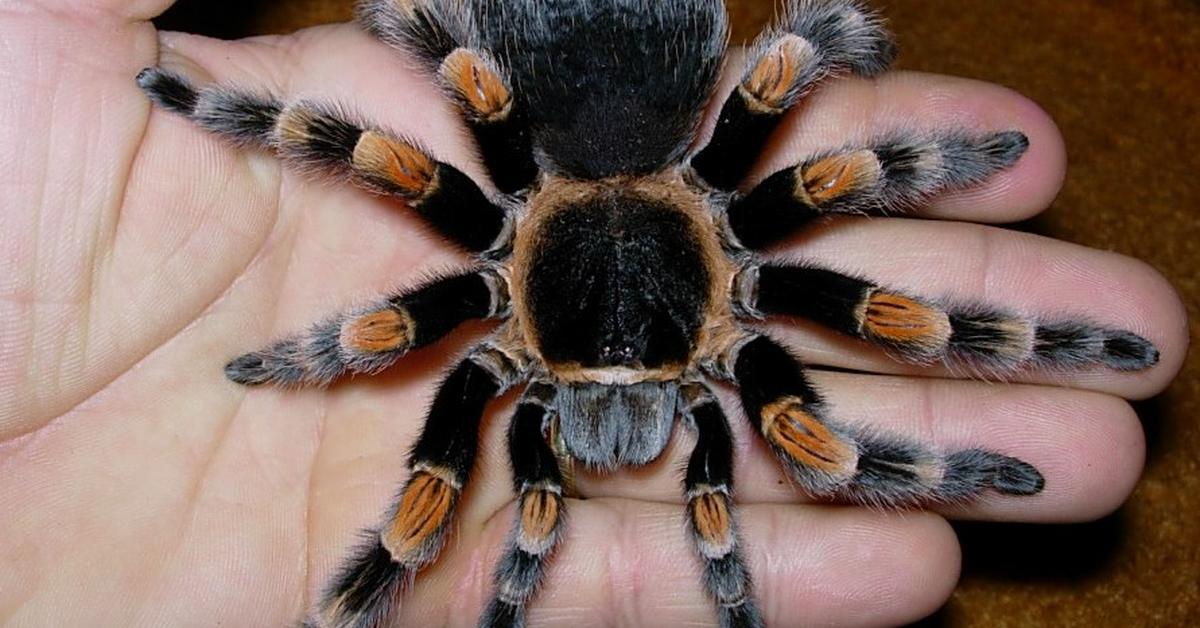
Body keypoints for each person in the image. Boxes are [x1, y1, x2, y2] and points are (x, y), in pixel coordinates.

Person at [0, 1, 1186, 625]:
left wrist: (824, 44)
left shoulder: (507, 307)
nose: (627, 428)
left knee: (892, 295)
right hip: (637, 133)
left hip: (586, 150)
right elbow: (376, 147)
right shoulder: (562, 285)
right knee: (871, 304)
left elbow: (840, 136)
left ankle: (1056, 343)